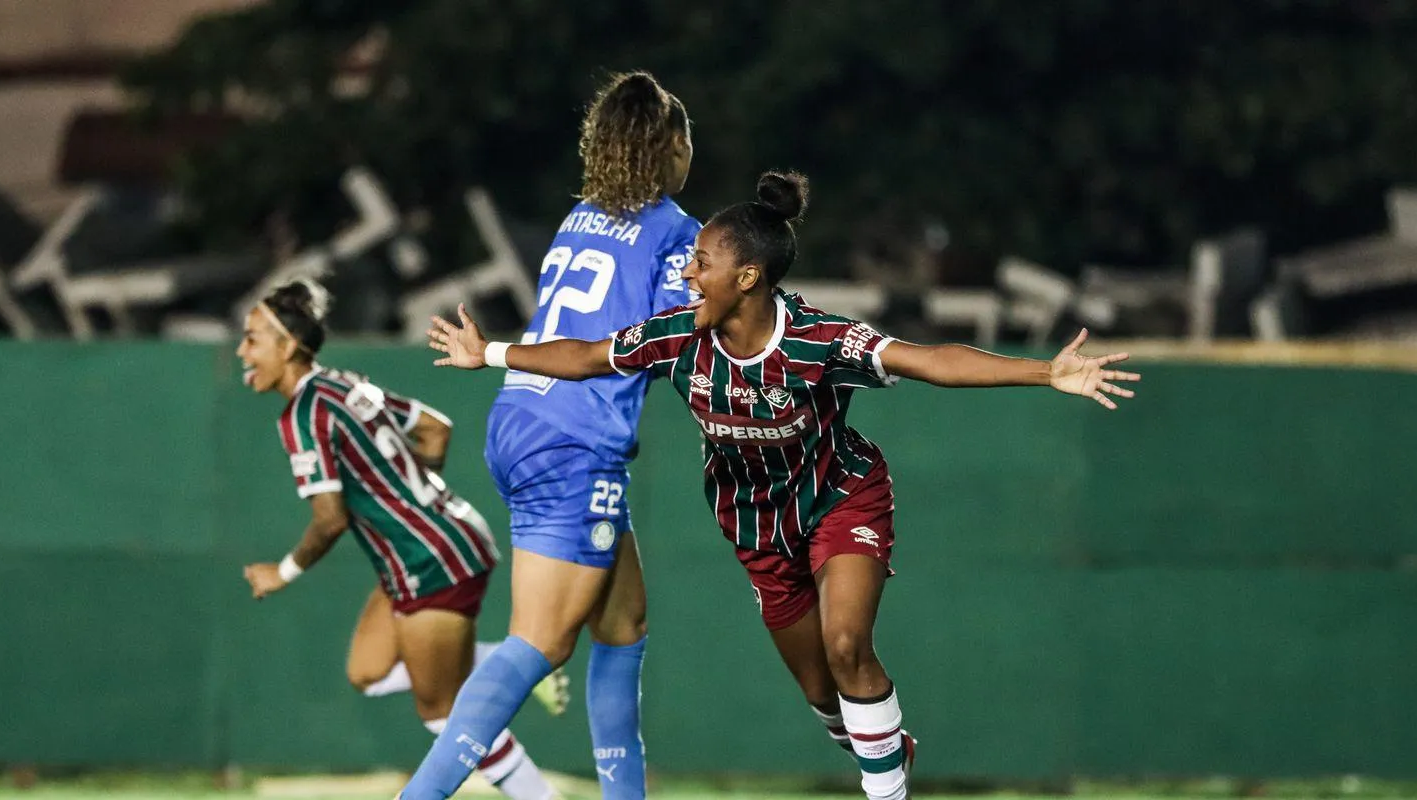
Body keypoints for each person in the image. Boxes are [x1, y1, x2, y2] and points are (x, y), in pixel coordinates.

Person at [423, 172, 1141, 800]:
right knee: (824, 696)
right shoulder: (678, 335)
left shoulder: (819, 342)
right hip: (756, 527)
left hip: (841, 500)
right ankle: (886, 751)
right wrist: (485, 352)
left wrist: (1047, 371)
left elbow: (933, 360)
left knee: (846, 643)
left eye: (701, 262)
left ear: (747, 278)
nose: (687, 273)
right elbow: (583, 356)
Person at [398, 71, 700, 800]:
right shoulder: (676, 233)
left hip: (523, 418)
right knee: (542, 640)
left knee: (623, 624)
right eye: (686, 139)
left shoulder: (581, 218)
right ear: (670, 149)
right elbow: (664, 341)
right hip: (574, 439)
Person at [236, 278, 562, 800]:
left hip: (432, 561)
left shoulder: (303, 414)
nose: (241, 350)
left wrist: (283, 572)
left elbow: (329, 520)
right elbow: (436, 428)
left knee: (443, 715)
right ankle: (501, 659)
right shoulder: (344, 384)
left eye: (252, 339)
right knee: (367, 671)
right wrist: (412, 503)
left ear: (288, 346)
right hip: (436, 544)